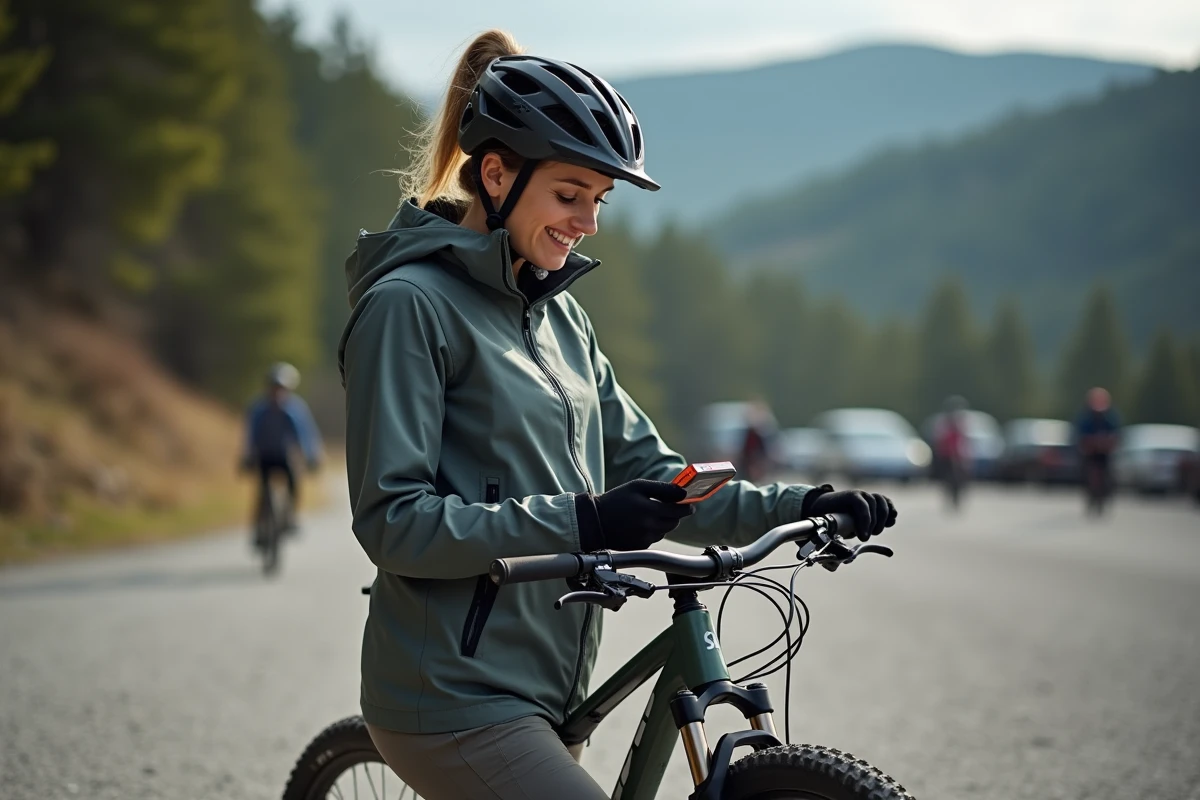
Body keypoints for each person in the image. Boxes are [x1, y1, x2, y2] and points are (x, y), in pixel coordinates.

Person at [338, 30, 898, 799]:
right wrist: (585, 520)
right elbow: (394, 522)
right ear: (495, 174)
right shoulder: (408, 307)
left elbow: (661, 476)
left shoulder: (560, 320)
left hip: (548, 694)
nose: (589, 223)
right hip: (450, 698)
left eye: (598, 200)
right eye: (569, 195)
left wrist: (800, 504)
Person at [240, 362, 322, 537]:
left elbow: (305, 434)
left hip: (284, 455)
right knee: (262, 489)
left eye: (282, 388)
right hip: (264, 455)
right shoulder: (259, 409)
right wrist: (247, 455)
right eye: (274, 387)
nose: (277, 392)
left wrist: (311, 455)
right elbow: (251, 435)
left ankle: (290, 515)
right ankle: (259, 525)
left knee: (293, 481)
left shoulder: (295, 409)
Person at [1074, 386, 1120, 515]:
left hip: (1105, 453)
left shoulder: (1110, 417)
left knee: (1108, 473)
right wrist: (1090, 444)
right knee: (1088, 473)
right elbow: (1080, 436)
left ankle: (1105, 494)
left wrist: (1107, 443)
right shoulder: (1086, 417)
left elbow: (1116, 435)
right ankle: (1091, 495)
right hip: (1090, 453)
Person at [932, 395, 971, 511]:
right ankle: (951, 499)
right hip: (947, 456)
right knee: (948, 480)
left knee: (958, 480)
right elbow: (940, 441)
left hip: (956, 456)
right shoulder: (945, 424)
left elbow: (963, 441)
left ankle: (956, 499)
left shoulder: (959, 424)